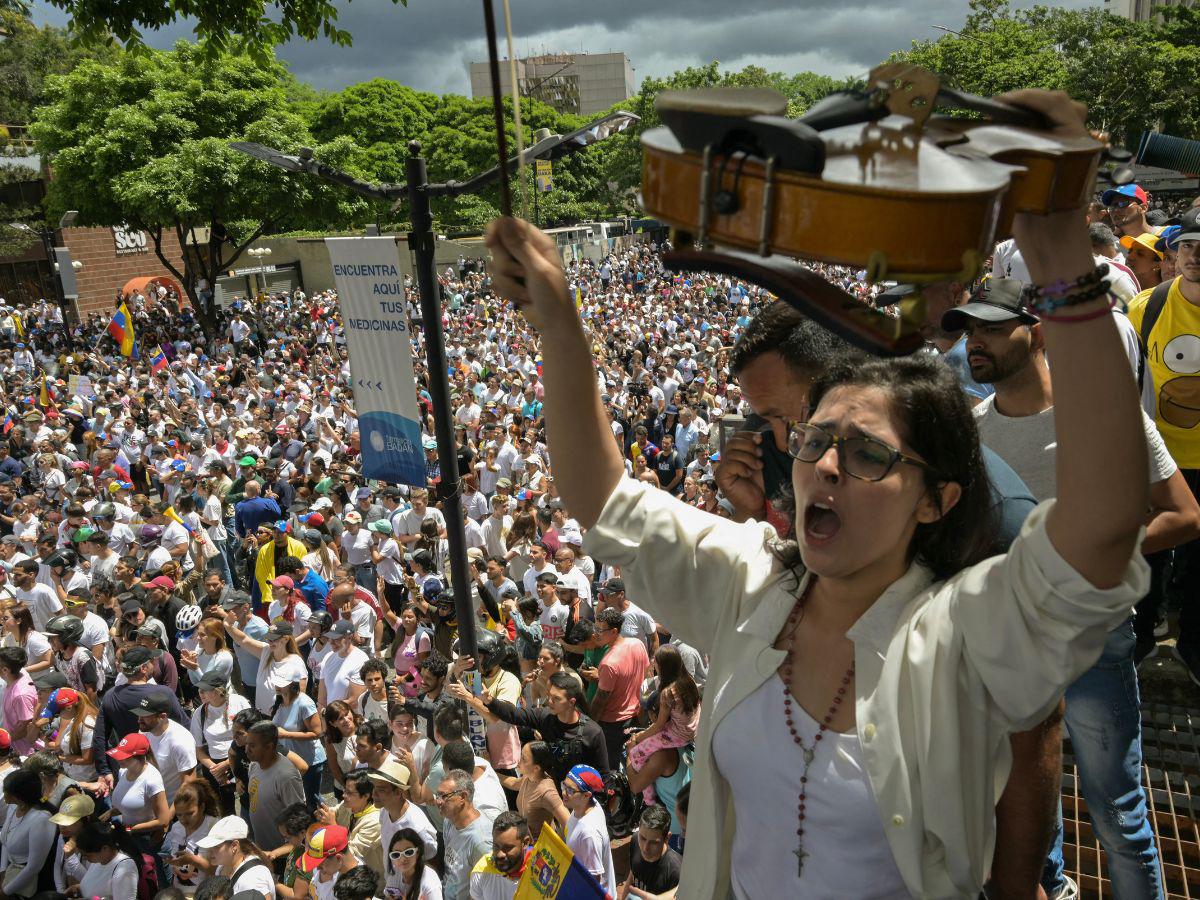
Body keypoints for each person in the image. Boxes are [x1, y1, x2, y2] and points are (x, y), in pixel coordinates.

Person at [482, 85, 1155, 898]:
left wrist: (1055, 251)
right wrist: (558, 320)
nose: (827, 467)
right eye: (815, 442)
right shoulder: (750, 580)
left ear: (937, 499)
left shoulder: (965, 630)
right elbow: (603, 500)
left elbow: (1108, 520)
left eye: (868, 454)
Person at [949, 278, 1200, 898]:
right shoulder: (971, 432)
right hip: (1010, 641)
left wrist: (1084, 550)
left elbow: (1184, 514)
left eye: (987, 328)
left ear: (1034, 332)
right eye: (967, 330)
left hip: (1091, 637)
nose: (972, 342)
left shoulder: (1106, 410)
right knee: (1030, 794)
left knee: (1116, 807)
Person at [1128, 205, 1200, 681]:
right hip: (1156, 459)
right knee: (1146, 557)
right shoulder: (1145, 307)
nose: (1196, 255)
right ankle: (1139, 643)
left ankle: (1192, 647)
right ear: (1174, 252)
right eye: (1188, 245)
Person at [626, 644, 701, 804]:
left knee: (636, 754)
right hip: (691, 732)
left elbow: (659, 725)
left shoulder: (668, 693)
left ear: (663, 667)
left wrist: (639, 738)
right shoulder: (689, 682)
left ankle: (648, 800)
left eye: (656, 662)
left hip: (677, 736)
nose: (653, 663)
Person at [588, 607, 649, 772]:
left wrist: (590, 724)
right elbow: (646, 674)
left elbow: (601, 699)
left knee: (610, 769)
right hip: (636, 717)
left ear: (614, 631)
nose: (596, 634)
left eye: (601, 630)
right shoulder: (638, 644)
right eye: (596, 628)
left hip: (612, 724)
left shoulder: (609, 663)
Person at [191, 669, 251, 813]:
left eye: (205, 689)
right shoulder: (199, 713)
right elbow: (198, 750)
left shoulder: (239, 702)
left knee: (249, 803)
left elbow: (253, 734)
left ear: (219, 691)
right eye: (200, 689)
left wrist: (227, 765)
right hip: (214, 766)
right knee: (225, 809)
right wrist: (216, 770)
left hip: (241, 759)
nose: (201, 692)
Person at [244, 720, 306, 852]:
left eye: (252, 745)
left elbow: (299, 820)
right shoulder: (254, 765)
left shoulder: (286, 776)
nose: (246, 750)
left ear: (269, 746)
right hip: (263, 847)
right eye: (247, 744)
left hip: (280, 854)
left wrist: (277, 853)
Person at [314, 769, 383, 882]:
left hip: (371, 881)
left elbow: (351, 853)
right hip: (348, 874)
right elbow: (333, 812)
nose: (344, 795)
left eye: (349, 793)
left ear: (366, 796)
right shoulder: (348, 804)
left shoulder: (375, 821)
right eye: (344, 790)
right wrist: (323, 814)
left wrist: (332, 825)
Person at [271, 668, 326, 809]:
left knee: (312, 799)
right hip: (290, 760)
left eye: (281, 683)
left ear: (292, 684)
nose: (277, 686)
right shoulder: (278, 699)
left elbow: (317, 733)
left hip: (310, 761)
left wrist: (286, 734)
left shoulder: (304, 703)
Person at [560, 765, 617, 897]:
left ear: (587, 795)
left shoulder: (588, 834)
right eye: (564, 785)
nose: (564, 792)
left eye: (570, 790)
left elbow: (592, 883)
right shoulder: (588, 804)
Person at [0, 768, 58, 898]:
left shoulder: (41, 819)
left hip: (30, 886)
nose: (3, 794)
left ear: (18, 796)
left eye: (6, 791)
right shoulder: (13, 807)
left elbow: (34, 867)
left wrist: (5, 891)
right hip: (10, 874)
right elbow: (5, 841)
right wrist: (2, 872)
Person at [132, 691, 197, 805]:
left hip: (171, 805)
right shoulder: (144, 731)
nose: (139, 719)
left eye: (145, 716)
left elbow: (188, 784)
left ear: (162, 716)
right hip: (148, 803)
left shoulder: (180, 741)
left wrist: (168, 816)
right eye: (139, 714)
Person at [367, 759, 438, 864]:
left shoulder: (417, 827)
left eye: (381, 790)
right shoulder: (384, 811)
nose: (374, 794)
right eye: (374, 788)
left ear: (398, 792)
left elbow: (430, 861)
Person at [437, 769, 492, 900]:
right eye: (437, 795)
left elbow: (486, 890)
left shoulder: (481, 842)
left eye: (444, 796)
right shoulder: (449, 820)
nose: (438, 801)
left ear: (463, 797)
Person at [499, 740, 568, 841]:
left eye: (524, 759)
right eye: (521, 754)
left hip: (542, 851)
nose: (519, 760)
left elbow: (567, 821)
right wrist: (489, 771)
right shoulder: (528, 777)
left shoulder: (546, 791)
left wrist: (561, 846)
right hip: (528, 845)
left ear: (536, 768)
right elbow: (513, 783)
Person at [195, 815, 276, 900]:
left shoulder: (252, 878)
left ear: (234, 846)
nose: (210, 850)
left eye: (216, 846)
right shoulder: (223, 865)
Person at [163, 779, 222, 893]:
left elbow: (220, 870)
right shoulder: (176, 827)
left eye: (190, 813)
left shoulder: (214, 827)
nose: (183, 820)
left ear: (202, 807)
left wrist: (192, 860)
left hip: (205, 893)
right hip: (179, 892)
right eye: (179, 815)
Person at [621, 805, 682, 900]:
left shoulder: (676, 871)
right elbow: (632, 875)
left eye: (654, 842)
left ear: (667, 838)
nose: (645, 848)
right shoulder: (635, 840)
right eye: (643, 838)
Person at [469, 811, 533, 900]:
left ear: (525, 843)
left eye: (508, 847)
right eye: (496, 846)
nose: (500, 854)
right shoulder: (482, 870)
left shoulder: (540, 871)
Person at [74, 820, 139, 900]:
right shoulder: (99, 860)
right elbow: (94, 886)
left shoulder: (125, 868)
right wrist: (77, 889)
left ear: (105, 849)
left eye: (87, 855)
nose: (84, 858)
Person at [297, 823, 360, 900]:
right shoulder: (331, 870)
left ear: (338, 858)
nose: (317, 868)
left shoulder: (357, 891)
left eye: (320, 864)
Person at [384, 828, 443, 900]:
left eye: (408, 852)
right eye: (396, 855)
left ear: (417, 853)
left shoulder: (431, 885)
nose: (402, 859)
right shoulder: (394, 874)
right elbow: (387, 897)